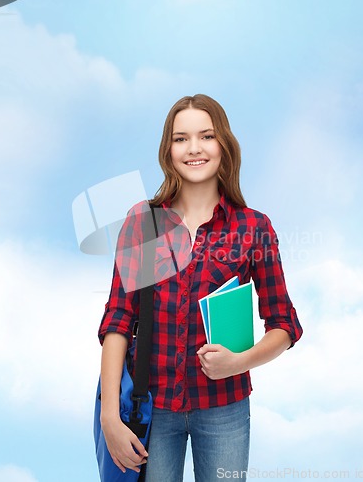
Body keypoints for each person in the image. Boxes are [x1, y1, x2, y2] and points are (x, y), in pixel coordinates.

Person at [98, 94, 303, 481]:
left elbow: (285, 324)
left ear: (223, 144)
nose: (194, 148)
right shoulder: (143, 222)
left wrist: (239, 362)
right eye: (181, 139)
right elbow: (118, 320)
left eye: (206, 136)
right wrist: (111, 414)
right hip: (151, 408)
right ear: (168, 150)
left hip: (224, 407)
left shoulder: (253, 228)